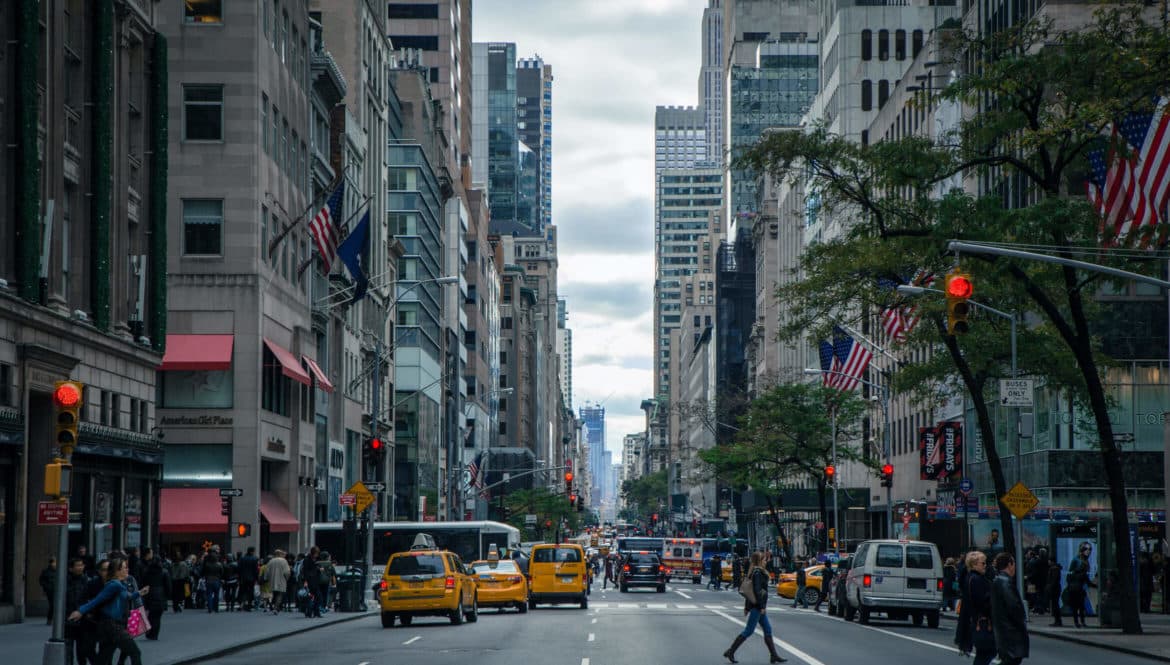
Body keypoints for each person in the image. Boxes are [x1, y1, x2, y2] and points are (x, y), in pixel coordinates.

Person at [70, 556, 149, 665]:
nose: (127, 570)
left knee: (104, 658)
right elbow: (97, 600)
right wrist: (80, 611)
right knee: (135, 652)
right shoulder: (114, 585)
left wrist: (139, 593)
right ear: (117, 571)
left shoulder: (119, 584)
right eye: (124, 568)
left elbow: (127, 596)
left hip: (109, 626)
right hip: (113, 626)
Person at [723, 551, 786, 664]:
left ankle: (774, 655)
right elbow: (756, 591)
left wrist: (747, 607)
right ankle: (731, 651)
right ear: (759, 561)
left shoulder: (757, 572)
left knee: (768, 630)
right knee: (749, 631)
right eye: (764, 560)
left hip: (757, 606)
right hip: (758, 606)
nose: (766, 561)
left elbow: (751, 591)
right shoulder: (758, 573)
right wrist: (761, 606)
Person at [990, 552, 1030, 665]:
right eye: (1014, 564)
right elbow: (1014, 608)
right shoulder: (1005, 583)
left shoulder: (998, 581)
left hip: (1004, 633)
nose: (1015, 568)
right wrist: (1021, 622)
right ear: (1009, 564)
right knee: (1011, 661)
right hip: (1011, 634)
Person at [963, 551, 996, 665]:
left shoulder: (972, 578)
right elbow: (982, 602)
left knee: (984, 654)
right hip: (982, 622)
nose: (985, 565)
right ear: (974, 564)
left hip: (979, 621)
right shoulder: (976, 580)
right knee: (986, 653)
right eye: (983, 563)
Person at [63, 557, 90, 665]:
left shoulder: (87, 580)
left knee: (82, 649)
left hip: (83, 618)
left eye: (81, 565)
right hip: (68, 617)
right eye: (77, 565)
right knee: (68, 647)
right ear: (71, 568)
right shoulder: (65, 581)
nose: (80, 567)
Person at [139, 548, 169, 640]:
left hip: (149, 594)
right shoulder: (164, 572)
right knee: (157, 616)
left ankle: (149, 632)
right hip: (160, 595)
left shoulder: (146, 571)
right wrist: (167, 595)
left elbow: (142, 583)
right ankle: (154, 634)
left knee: (151, 614)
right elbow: (168, 585)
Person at [1065, 543, 1091, 628]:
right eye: (1086, 549)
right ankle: (1080, 622)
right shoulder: (1076, 560)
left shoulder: (1086, 561)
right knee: (1079, 606)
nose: (1088, 551)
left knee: (1078, 606)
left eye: (1089, 549)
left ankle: (1078, 622)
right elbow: (1069, 574)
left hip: (1077, 588)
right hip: (1078, 588)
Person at [265, 549, 291, 614]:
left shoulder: (271, 561)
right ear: (280, 554)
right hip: (281, 579)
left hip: (272, 580)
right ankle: (276, 608)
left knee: (274, 593)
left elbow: (267, 571)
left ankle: (274, 606)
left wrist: (267, 578)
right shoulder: (284, 561)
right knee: (280, 594)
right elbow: (287, 572)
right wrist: (287, 578)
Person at [239, 547, 260, 612]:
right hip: (251, 578)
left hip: (243, 578)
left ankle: (242, 604)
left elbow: (239, 569)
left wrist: (240, 577)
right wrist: (257, 578)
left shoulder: (242, 558)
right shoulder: (254, 559)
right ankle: (249, 605)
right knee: (250, 591)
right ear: (252, 551)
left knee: (243, 591)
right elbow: (256, 570)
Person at [40, 557, 58, 625]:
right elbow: (41, 581)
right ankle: (49, 619)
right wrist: (47, 587)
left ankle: (55, 619)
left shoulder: (58, 570)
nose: (55, 564)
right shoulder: (45, 571)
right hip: (50, 591)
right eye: (54, 562)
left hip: (57, 591)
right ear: (51, 563)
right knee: (52, 605)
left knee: (56, 605)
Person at [1046, 560, 1064, 626]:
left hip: (1054, 589)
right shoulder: (1055, 569)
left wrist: (1050, 587)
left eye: (1049, 561)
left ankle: (1058, 621)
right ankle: (1057, 620)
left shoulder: (1054, 569)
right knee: (1055, 605)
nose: (1048, 562)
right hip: (1056, 589)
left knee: (1055, 605)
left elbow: (1053, 580)